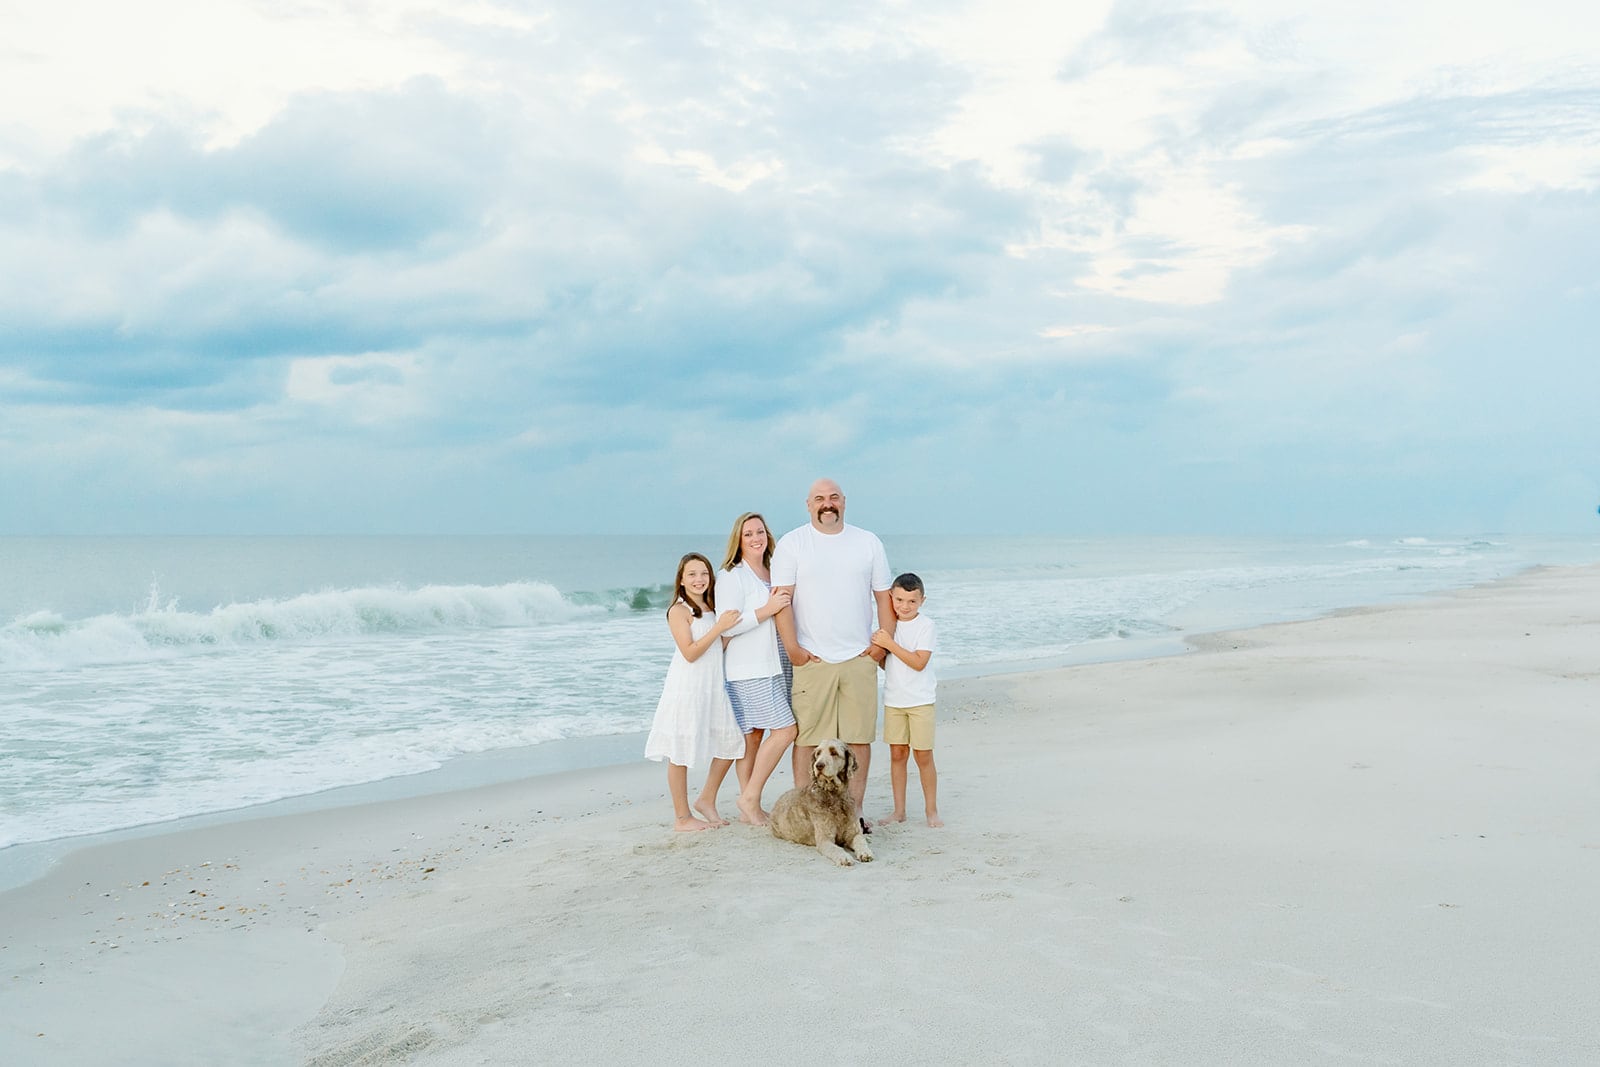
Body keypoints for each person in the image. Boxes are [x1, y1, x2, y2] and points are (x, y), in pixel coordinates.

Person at [770, 478, 893, 819]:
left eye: (834, 497)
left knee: (858, 740)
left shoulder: (867, 542)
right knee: (808, 740)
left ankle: (854, 812)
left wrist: (881, 646)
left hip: (859, 657)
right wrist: (793, 650)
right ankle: (806, 812)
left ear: (844, 502)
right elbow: (781, 600)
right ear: (809, 505)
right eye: (820, 498)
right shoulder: (793, 543)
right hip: (813, 659)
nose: (828, 504)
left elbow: (884, 598)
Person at [643, 553, 745, 832]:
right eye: (692, 574)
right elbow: (690, 653)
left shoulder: (712, 607)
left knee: (731, 743)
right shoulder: (678, 610)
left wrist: (729, 632)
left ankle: (706, 800)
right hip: (687, 687)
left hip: (713, 686)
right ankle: (682, 818)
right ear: (681, 579)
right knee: (680, 751)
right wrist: (719, 628)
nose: (699, 579)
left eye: (704, 573)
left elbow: (717, 647)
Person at [710, 512, 799, 826]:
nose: (755, 538)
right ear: (738, 540)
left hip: (776, 661)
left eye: (760, 532)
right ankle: (749, 798)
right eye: (748, 534)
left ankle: (750, 806)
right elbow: (728, 625)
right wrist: (767, 610)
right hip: (749, 668)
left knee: (754, 736)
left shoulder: (773, 570)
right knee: (786, 730)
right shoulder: (731, 575)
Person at [872, 572, 942, 827]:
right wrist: (880, 649)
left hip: (920, 701)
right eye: (899, 600)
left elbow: (919, 662)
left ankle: (931, 811)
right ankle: (899, 811)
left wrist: (889, 644)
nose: (905, 606)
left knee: (923, 755)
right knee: (898, 754)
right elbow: (887, 664)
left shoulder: (926, 626)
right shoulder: (888, 627)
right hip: (894, 700)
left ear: (922, 600)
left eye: (912, 601)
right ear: (890, 597)